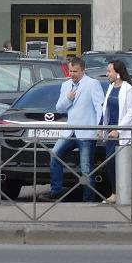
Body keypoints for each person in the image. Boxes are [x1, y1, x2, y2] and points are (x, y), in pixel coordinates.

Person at [48, 55, 103, 202]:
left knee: (86, 167)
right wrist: (68, 98)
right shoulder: (66, 85)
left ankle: (88, 199)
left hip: (86, 132)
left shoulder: (93, 84)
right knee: (54, 154)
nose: (72, 74)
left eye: (75, 71)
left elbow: (100, 107)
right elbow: (59, 108)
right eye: (70, 71)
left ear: (83, 70)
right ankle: (56, 191)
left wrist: (100, 128)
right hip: (70, 131)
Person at [97, 60, 132, 203]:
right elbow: (105, 109)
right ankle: (114, 193)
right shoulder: (111, 87)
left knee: (122, 162)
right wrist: (101, 127)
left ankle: (125, 193)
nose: (107, 74)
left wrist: (118, 129)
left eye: (109, 71)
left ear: (118, 73)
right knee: (110, 162)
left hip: (122, 132)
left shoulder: (128, 89)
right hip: (110, 132)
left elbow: (131, 113)